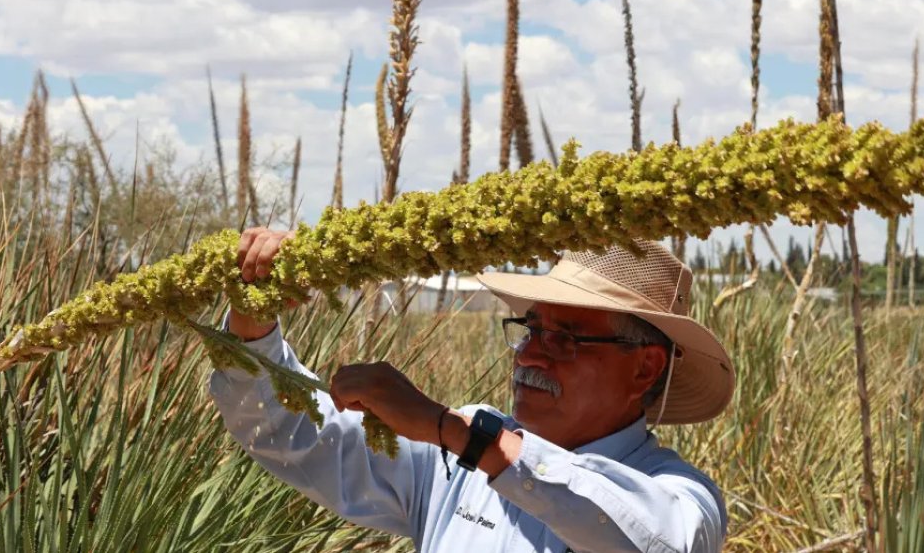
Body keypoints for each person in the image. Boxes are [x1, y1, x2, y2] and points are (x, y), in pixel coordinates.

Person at [210, 228, 736, 552]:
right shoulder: (455, 455)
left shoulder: (683, 497)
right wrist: (253, 330)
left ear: (645, 369)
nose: (531, 353)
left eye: (565, 337)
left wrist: (452, 431)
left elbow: (656, 543)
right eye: (531, 329)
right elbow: (295, 434)